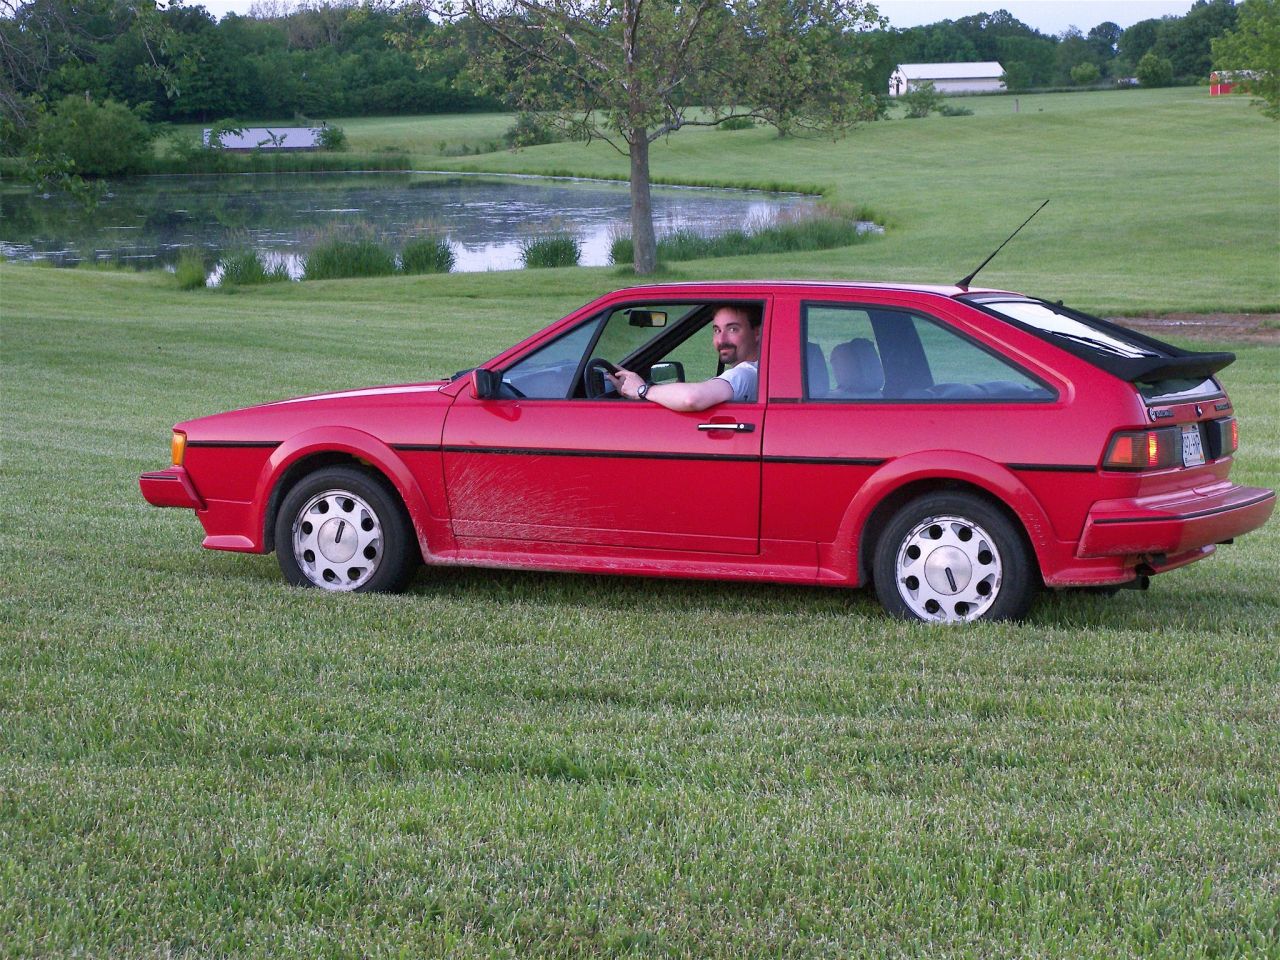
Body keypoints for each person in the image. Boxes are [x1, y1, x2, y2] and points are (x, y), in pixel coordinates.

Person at [607, 304, 761, 411]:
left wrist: (643, 390)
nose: (721, 340)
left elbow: (692, 398)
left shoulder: (746, 374)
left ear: (757, 333)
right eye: (717, 330)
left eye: (733, 329)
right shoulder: (759, 372)